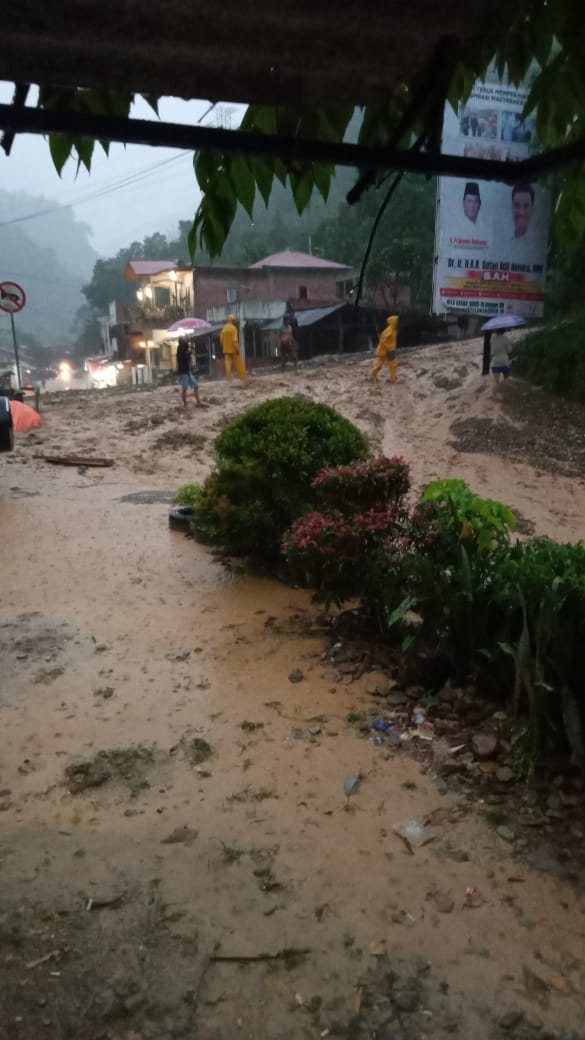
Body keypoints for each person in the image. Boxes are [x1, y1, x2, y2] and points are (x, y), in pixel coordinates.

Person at [176, 336, 207, 408]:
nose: (186, 339)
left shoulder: (185, 347)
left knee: (196, 385)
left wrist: (190, 351)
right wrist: (189, 352)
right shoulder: (180, 348)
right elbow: (184, 357)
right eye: (185, 338)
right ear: (182, 340)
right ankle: (185, 404)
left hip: (187, 371)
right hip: (184, 372)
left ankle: (198, 402)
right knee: (184, 388)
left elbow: (187, 356)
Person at [370, 315, 399, 383]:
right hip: (384, 351)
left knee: (393, 364)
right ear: (393, 322)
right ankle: (373, 376)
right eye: (396, 321)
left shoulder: (394, 330)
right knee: (380, 365)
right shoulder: (388, 331)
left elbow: (392, 341)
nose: (397, 322)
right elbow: (382, 341)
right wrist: (389, 348)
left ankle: (393, 379)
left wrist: (392, 349)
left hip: (389, 351)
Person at [220, 315, 248, 382]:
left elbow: (221, 340)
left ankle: (230, 379)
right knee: (239, 364)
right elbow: (235, 340)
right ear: (233, 321)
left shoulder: (224, 329)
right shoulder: (233, 328)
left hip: (226, 350)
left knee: (228, 366)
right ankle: (243, 377)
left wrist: (224, 346)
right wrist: (237, 349)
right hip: (234, 350)